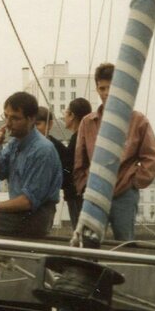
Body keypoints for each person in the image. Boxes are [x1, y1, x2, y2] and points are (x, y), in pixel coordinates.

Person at [73, 63, 155, 241]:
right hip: (95, 193)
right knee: (89, 242)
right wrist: (84, 186)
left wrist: (134, 182)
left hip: (124, 194)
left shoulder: (138, 121)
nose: (106, 92)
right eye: (102, 88)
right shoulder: (87, 123)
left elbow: (151, 157)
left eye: (110, 87)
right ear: (97, 89)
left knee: (125, 243)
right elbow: (79, 160)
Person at [0, 92, 62, 238]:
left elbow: (28, 201)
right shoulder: (14, 144)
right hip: (17, 215)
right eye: (6, 116)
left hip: (35, 218)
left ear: (31, 119)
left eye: (15, 118)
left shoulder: (42, 150)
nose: (8, 123)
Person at [35, 106, 72, 222]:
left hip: (46, 201)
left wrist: (55, 178)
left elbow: (68, 171)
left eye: (38, 124)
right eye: (32, 125)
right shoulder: (25, 147)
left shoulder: (58, 148)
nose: (34, 129)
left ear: (49, 125)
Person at [62, 97, 92, 227]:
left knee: (79, 231)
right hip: (81, 192)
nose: (63, 115)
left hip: (76, 194)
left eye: (66, 112)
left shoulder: (77, 138)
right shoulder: (85, 136)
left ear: (72, 115)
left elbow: (69, 163)